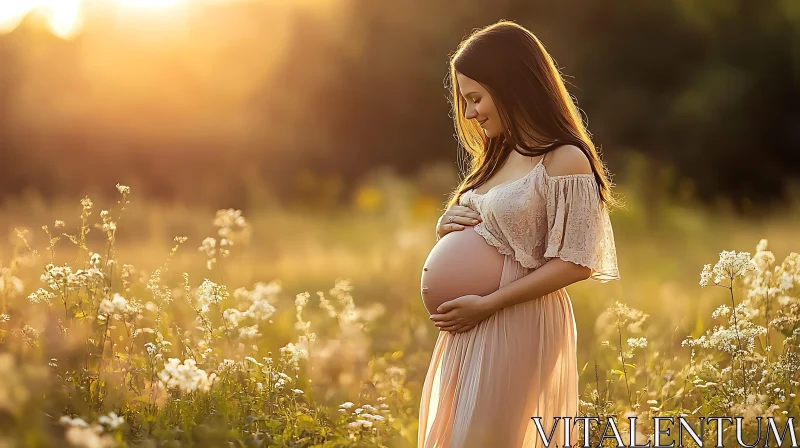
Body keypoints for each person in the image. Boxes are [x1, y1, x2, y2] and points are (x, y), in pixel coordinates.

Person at [418, 20, 621, 447]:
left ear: (511, 87)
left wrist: (487, 304)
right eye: (465, 101)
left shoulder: (565, 160)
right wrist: (447, 225)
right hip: (471, 323)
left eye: (475, 98)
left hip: (515, 318)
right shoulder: (498, 155)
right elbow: (491, 230)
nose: (470, 113)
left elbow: (575, 263)